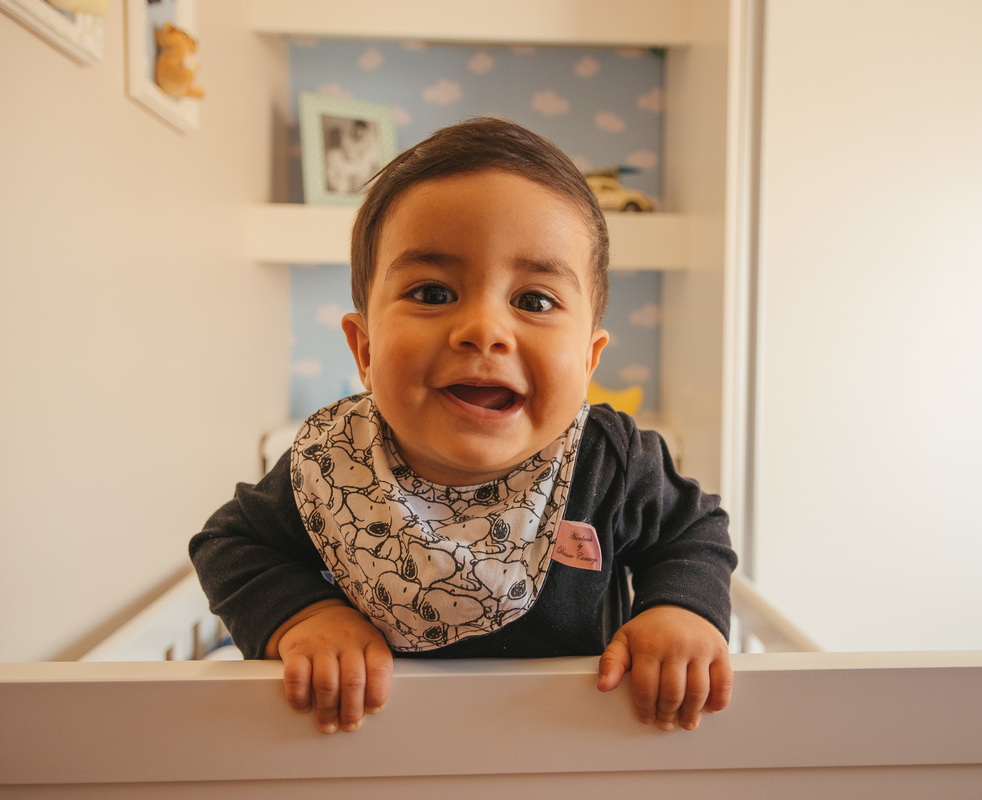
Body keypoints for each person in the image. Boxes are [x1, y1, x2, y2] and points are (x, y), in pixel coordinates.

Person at [190, 117, 737, 737]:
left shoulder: (610, 460)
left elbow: (694, 532)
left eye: (534, 301)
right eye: (432, 293)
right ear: (364, 349)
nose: (484, 329)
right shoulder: (334, 462)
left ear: (589, 361)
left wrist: (678, 612)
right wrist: (305, 616)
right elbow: (230, 545)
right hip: (377, 751)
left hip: (574, 748)